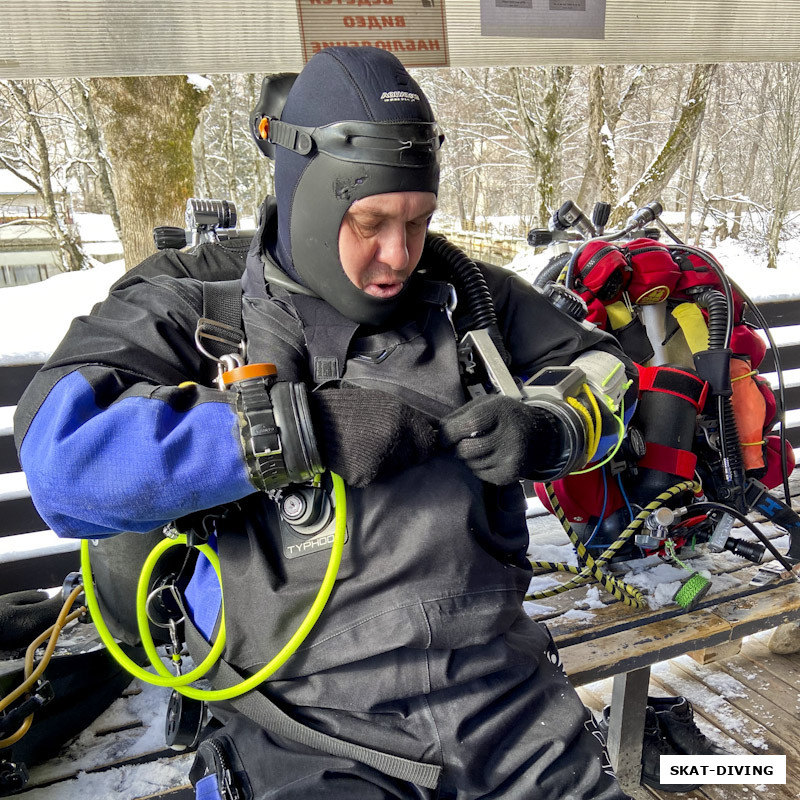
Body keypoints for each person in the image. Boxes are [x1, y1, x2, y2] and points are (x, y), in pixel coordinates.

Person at [15, 46, 638, 799]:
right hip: (302, 723)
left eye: (418, 221)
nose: (399, 254)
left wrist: (552, 423)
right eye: (370, 221)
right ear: (306, 193)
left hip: (503, 700)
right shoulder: (194, 306)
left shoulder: (469, 297)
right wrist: (293, 432)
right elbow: (61, 461)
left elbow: (608, 370)